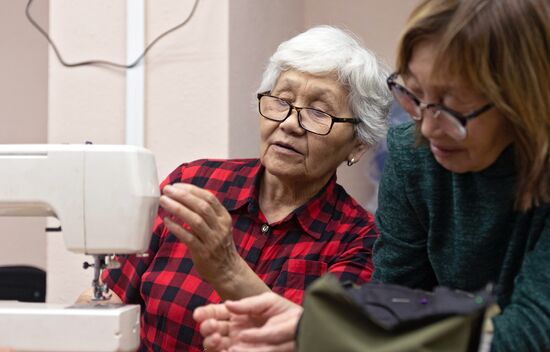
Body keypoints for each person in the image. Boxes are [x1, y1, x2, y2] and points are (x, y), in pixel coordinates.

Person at [194, 0, 550, 351]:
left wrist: (329, 332)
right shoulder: (414, 152)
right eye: (414, 95)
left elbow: (527, 336)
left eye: (449, 106)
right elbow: (392, 299)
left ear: (520, 101)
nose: (425, 127)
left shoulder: (352, 234)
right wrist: (322, 330)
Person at [77, 26, 392, 351]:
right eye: (281, 101)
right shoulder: (193, 183)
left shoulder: (361, 241)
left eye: (318, 112)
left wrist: (227, 268)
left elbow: (316, 345)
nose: (288, 123)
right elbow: (110, 300)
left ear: (357, 144)